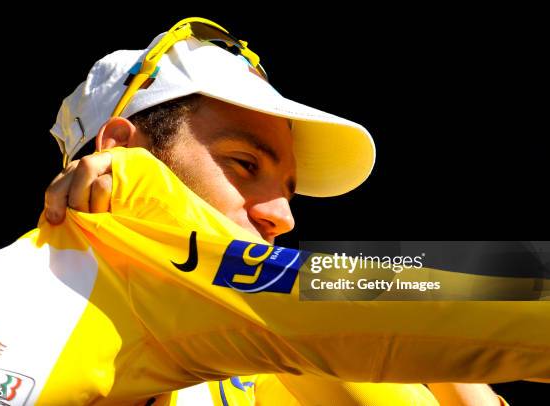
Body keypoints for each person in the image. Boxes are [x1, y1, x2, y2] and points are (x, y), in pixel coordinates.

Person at [41, 18, 506, 405]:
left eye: (289, 191)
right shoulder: (33, 321)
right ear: (122, 149)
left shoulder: (256, 376)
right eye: (245, 165)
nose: (283, 217)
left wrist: (435, 344)